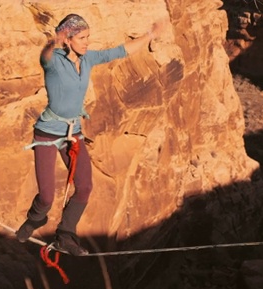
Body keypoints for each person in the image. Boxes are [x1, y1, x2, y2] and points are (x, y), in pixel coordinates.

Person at [16, 14, 166, 255]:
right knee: (46, 197)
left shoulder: (87, 59)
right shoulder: (54, 61)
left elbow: (120, 51)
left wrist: (150, 35)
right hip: (46, 133)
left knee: (84, 187)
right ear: (68, 39)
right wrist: (54, 40)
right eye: (82, 38)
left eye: (88, 37)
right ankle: (35, 220)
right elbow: (44, 55)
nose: (87, 42)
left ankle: (66, 234)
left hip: (72, 132)